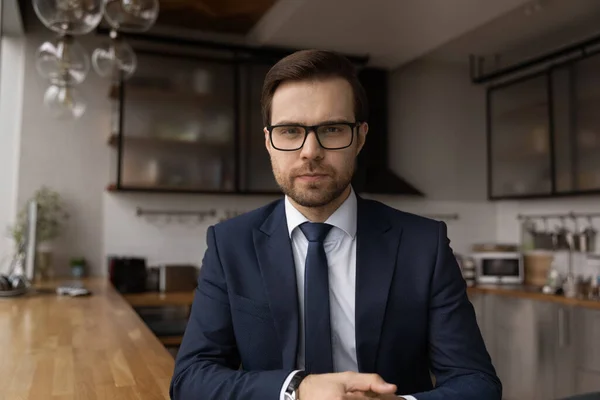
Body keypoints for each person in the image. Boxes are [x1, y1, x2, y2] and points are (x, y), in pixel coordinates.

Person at [170, 49, 501, 400]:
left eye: (331, 128)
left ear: (359, 137)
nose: (310, 150)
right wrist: (298, 390)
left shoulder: (424, 245)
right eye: (290, 130)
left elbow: (476, 383)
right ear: (269, 141)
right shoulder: (229, 244)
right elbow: (190, 379)